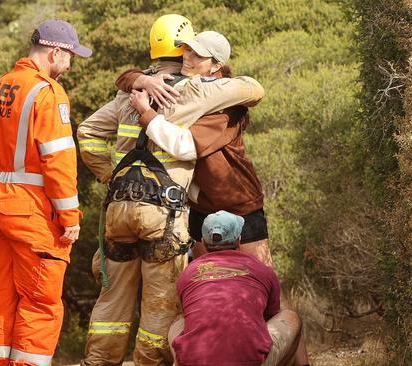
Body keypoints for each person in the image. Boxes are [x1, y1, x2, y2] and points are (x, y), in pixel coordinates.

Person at [78, 15, 264, 366]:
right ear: (185, 47)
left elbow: (87, 132)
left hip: (117, 210)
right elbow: (252, 88)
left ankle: (99, 362)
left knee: (111, 299)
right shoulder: (196, 89)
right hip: (161, 214)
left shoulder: (129, 94)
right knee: (160, 301)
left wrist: (108, 176)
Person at [0, 19, 91, 365]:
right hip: (33, 216)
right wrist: (69, 217)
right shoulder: (47, 93)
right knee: (40, 303)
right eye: (69, 57)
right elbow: (58, 162)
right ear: (55, 52)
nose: (69, 65)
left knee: (3, 300)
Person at [119, 33, 271, 266]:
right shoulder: (186, 86)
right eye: (186, 50)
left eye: (197, 54)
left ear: (216, 66)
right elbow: (126, 77)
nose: (187, 58)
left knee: (260, 281)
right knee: (207, 282)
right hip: (201, 208)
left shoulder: (226, 107)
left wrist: (146, 114)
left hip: (239, 206)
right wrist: (141, 80)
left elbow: (186, 146)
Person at [168, 210, 309, 366]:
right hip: (251, 361)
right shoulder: (262, 270)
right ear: (239, 239)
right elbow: (270, 316)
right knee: (291, 317)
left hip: (195, 361)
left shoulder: (187, 273)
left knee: (179, 321)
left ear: (203, 241)